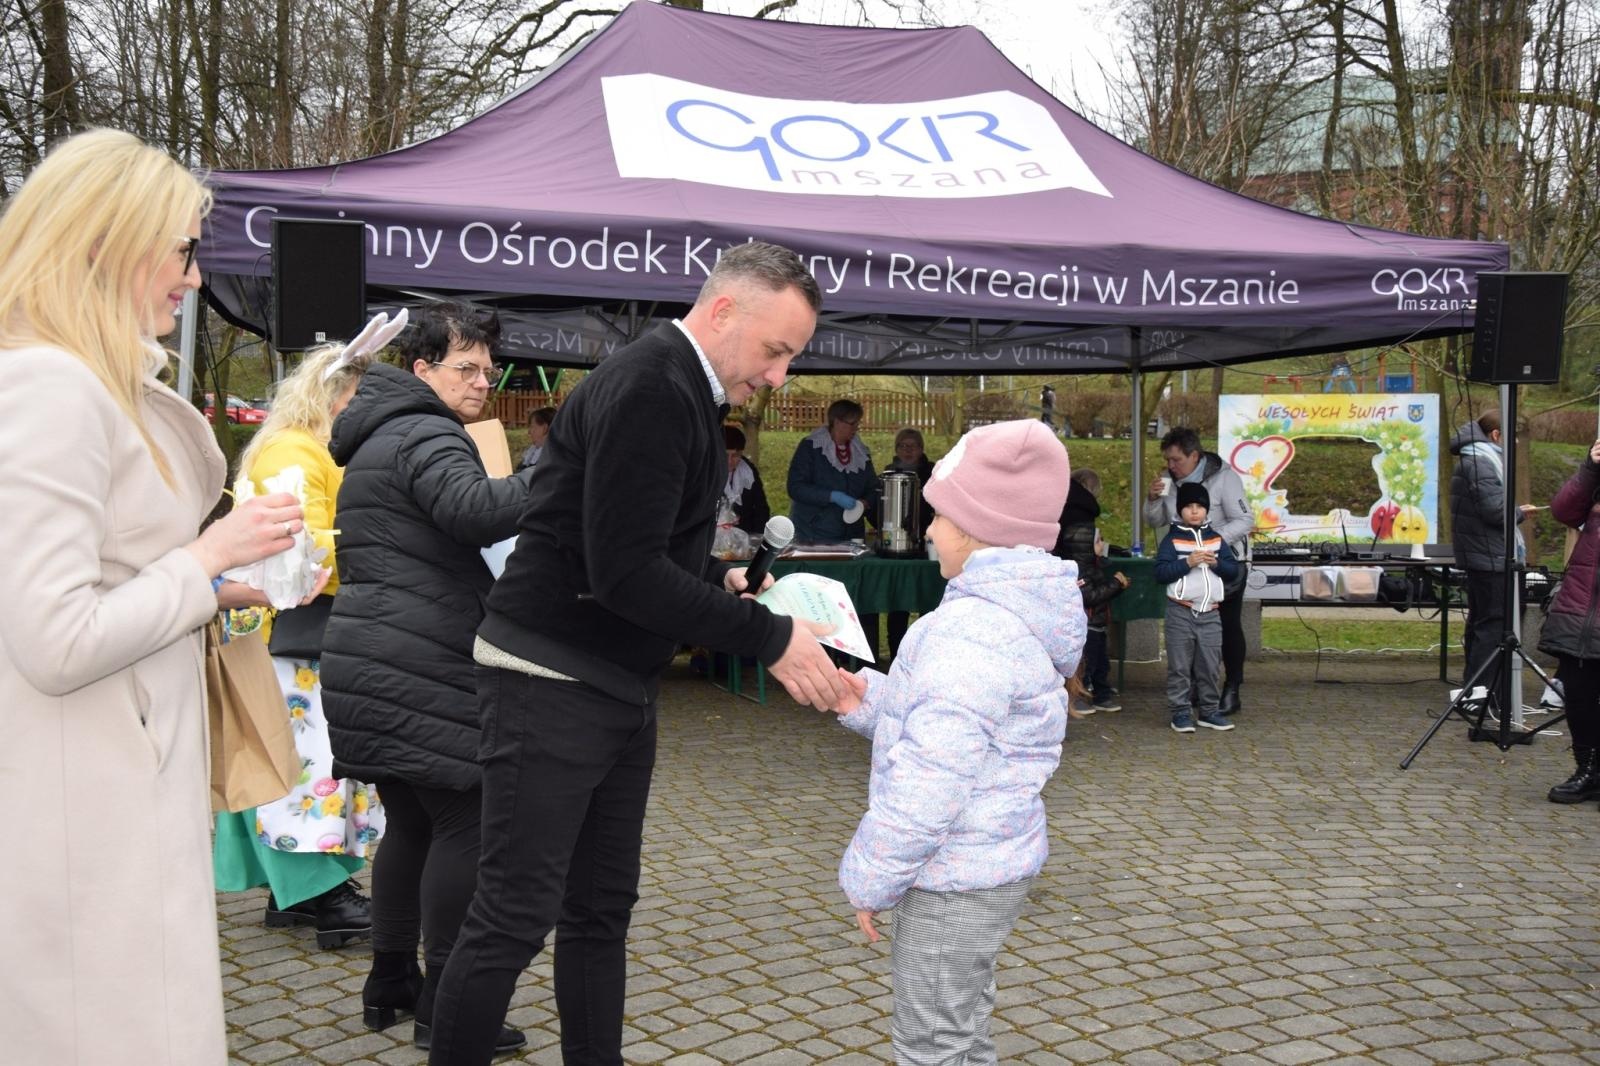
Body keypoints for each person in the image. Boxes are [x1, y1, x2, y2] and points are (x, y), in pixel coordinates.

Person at [424, 241, 846, 1066]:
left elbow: (631, 543)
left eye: (791, 357)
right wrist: (770, 637)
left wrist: (719, 579)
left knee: (600, 908)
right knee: (515, 913)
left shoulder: (679, 386)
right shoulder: (653, 386)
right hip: (550, 678)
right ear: (723, 310)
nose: (780, 377)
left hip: (613, 683)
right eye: (775, 350)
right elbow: (623, 574)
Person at [0, 128, 308, 1063]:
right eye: (181, 249)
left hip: (105, 779)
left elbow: (94, 578)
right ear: (106, 243)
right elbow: (52, 639)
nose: (192, 278)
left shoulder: (78, 381)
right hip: (84, 799)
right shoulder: (51, 388)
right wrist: (201, 558)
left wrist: (212, 583)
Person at [828, 419, 1085, 1066]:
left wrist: (870, 879)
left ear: (976, 528)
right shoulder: (996, 623)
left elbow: (931, 777)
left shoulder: (968, 634)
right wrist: (868, 698)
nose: (931, 531)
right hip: (985, 866)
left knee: (932, 1046)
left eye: (938, 516)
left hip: (950, 879)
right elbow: (955, 724)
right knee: (960, 1033)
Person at [320, 302, 536, 1053]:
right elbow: (478, 513)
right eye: (465, 368)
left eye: (488, 369)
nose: (482, 383)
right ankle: (447, 1007)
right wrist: (556, 463)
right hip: (419, 662)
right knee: (463, 825)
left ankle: (390, 984)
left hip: (375, 659)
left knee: (411, 821)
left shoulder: (383, 433)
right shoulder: (423, 432)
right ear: (420, 370)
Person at [212, 320, 406, 949]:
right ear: (335, 399)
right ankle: (320, 893)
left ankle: (294, 892)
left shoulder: (297, 447)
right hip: (289, 633)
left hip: (278, 628)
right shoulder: (300, 452)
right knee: (306, 763)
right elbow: (309, 558)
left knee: (291, 758)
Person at [1144, 426, 1252, 714]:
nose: (1170, 466)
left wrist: (1212, 543)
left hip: (1224, 563)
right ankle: (1197, 686)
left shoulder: (1225, 478)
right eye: (1167, 460)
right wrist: (1153, 499)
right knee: (1190, 626)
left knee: (1226, 625)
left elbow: (1244, 520)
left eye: (1176, 460)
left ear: (1194, 456)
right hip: (1187, 566)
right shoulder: (1167, 480)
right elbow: (1155, 522)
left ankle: (1232, 687)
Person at [1448, 410, 1533, 695]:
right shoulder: (1483, 463)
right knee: (1492, 627)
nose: (1516, 445)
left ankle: (1477, 691)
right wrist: (1520, 512)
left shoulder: (1474, 459)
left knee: (1482, 623)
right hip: (1491, 558)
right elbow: (1495, 511)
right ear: (1496, 435)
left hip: (1482, 555)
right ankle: (1482, 693)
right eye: (1513, 439)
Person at [789, 398, 879, 653]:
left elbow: (873, 486)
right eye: (851, 424)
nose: (854, 429)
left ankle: (854, 654)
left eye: (857, 424)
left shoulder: (860, 450)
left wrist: (865, 502)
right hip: (814, 534)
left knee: (852, 597)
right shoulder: (811, 448)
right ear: (836, 421)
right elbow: (795, 487)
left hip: (851, 535)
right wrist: (831, 496)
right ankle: (819, 655)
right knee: (820, 599)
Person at [1538, 439, 1600, 804]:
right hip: (1582, 606)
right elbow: (1563, 511)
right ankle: (1588, 771)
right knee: (1577, 692)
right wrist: (1590, 466)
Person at [1155, 483, 1240, 734]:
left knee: (1210, 666)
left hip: (1211, 612)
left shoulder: (1216, 539)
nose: (1194, 512)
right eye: (1189, 507)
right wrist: (1187, 563)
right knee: (1180, 667)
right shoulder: (1172, 540)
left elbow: (1232, 570)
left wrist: (1216, 564)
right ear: (1180, 510)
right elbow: (1160, 573)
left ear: (1206, 510)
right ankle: (1180, 713)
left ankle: (1209, 712)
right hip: (1180, 611)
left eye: (1199, 507)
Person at [1054, 467, 1129, 715]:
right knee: (1087, 654)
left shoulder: (1063, 511)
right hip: (1085, 608)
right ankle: (1081, 693)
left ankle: (1095, 690)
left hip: (1084, 603)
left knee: (1096, 655)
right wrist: (1115, 584)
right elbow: (1085, 581)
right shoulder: (1082, 519)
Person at [882, 426, 936, 658]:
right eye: (903, 446)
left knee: (928, 602)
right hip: (896, 548)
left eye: (912, 446)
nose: (907, 450)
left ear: (921, 449)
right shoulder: (888, 472)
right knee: (898, 603)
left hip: (927, 545)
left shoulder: (934, 472)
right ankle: (896, 656)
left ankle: (925, 656)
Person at [723, 423, 771, 537]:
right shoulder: (705, 473)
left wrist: (756, 538)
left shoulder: (748, 471)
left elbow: (761, 508)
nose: (729, 461)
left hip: (744, 536)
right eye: (725, 455)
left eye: (735, 456)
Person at [517, 405, 555, 470]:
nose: (529, 432)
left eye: (532, 426)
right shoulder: (532, 454)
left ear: (545, 428)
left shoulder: (551, 459)